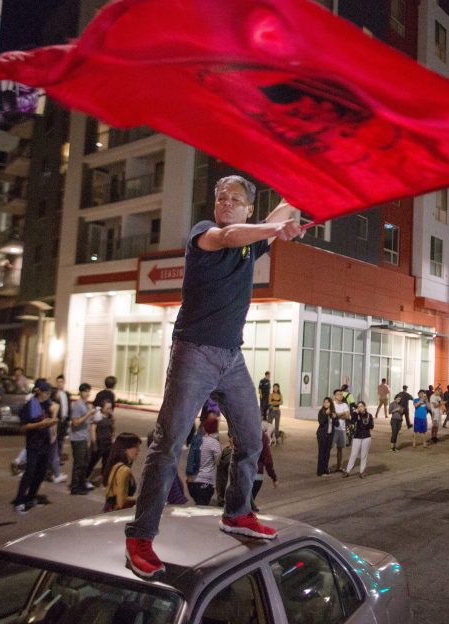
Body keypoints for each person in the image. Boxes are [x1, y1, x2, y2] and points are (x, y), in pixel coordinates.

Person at [124, 177, 300, 579]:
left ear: (249, 207)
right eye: (221, 197)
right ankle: (140, 536)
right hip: (194, 352)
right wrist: (276, 229)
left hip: (231, 356)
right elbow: (234, 234)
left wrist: (300, 195)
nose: (225, 203)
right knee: (167, 443)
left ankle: (237, 513)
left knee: (252, 439)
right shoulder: (206, 234)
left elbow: (280, 212)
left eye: (235, 199)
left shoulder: (251, 242)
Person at [13, 380, 58, 514]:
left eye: (50, 393)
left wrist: (52, 421)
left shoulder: (47, 404)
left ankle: (31, 498)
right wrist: (40, 425)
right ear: (38, 391)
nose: (48, 395)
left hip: (45, 444)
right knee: (29, 473)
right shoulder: (31, 405)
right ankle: (19, 501)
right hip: (33, 444)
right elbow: (22, 427)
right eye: (46, 392)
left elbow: (52, 416)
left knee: (41, 473)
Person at [69, 383, 97, 495]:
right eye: (85, 391)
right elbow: (75, 422)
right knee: (79, 463)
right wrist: (88, 414)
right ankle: (75, 487)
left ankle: (82, 484)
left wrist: (93, 415)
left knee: (85, 462)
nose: (87, 394)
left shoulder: (85, 405)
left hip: (84, 438)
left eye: (88, 391)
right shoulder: (77, 404)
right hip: (77, 438)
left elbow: (88, 422)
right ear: (80, 392)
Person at [104, 433, 143, 512]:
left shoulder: (116, 466)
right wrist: (143, 498)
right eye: (135, 447)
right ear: (125, 449)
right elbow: (121, 502)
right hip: (117, 514)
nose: (138, 450)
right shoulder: (124, 470)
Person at [188, 416, 220, 505]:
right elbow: (218, 462)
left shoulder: (195, 441)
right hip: (206, 482)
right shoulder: (214, 443)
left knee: (198, 504)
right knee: (202, 505)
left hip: (192, 481)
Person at [88, 382, 116, 484]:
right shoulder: (97, 417)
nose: (109, 409)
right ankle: (84, 478)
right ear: (103, 408)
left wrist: (113, 436)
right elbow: (92, 430)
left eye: (110, 408)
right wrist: (94, 443)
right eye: (107, 408)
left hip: (107, 443)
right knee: (92, 462)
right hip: (99, 442)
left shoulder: (110, 417)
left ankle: (105, 479)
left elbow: (113, 428)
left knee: (106, 462)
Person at [251, 423, 278, 511]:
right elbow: (268, 461)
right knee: (249, 503)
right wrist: (274, 477)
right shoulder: (262, 437)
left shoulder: (243, 432)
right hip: (256, 475)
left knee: (244, 503)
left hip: (243, 474)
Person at [343, 401, 374, 478]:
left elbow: (371, 426)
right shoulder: (356, 415)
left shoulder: (369, 415)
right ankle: (347, 471)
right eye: (358, 406)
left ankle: (361, 472)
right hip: (357, 436)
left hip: (366, 437)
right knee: (353, 454)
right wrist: (355, 413)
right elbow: (352, 421)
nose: (360, 408)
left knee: (364, 455)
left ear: (364, 407)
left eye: (361, 406)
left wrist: (366, 424)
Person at [331, 388, 350, 471]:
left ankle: (339, 467)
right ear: (335, 396)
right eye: (338, 394)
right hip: (333, 429)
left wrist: (338, 415)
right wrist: (342, 413)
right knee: (329, 448)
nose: (341, 396)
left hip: (342, 429)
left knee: (340, 449)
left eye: (341, 394)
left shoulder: (345, 405)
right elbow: (333, 415)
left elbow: (347, 416)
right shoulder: (332, 404)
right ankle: (325, 467)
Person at [317, 397, 335, 475]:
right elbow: (321, 422)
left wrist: (335, 417)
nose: (326, 404)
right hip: (322, 435)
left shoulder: (332, 412)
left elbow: (336, 424)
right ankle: (320, 472)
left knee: (327, 453)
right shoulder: (321, 411)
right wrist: (326, 415)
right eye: (325, 402)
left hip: (330, 435)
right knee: (322, 453)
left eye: (328, 402)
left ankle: (325, 469)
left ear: (330, 403)